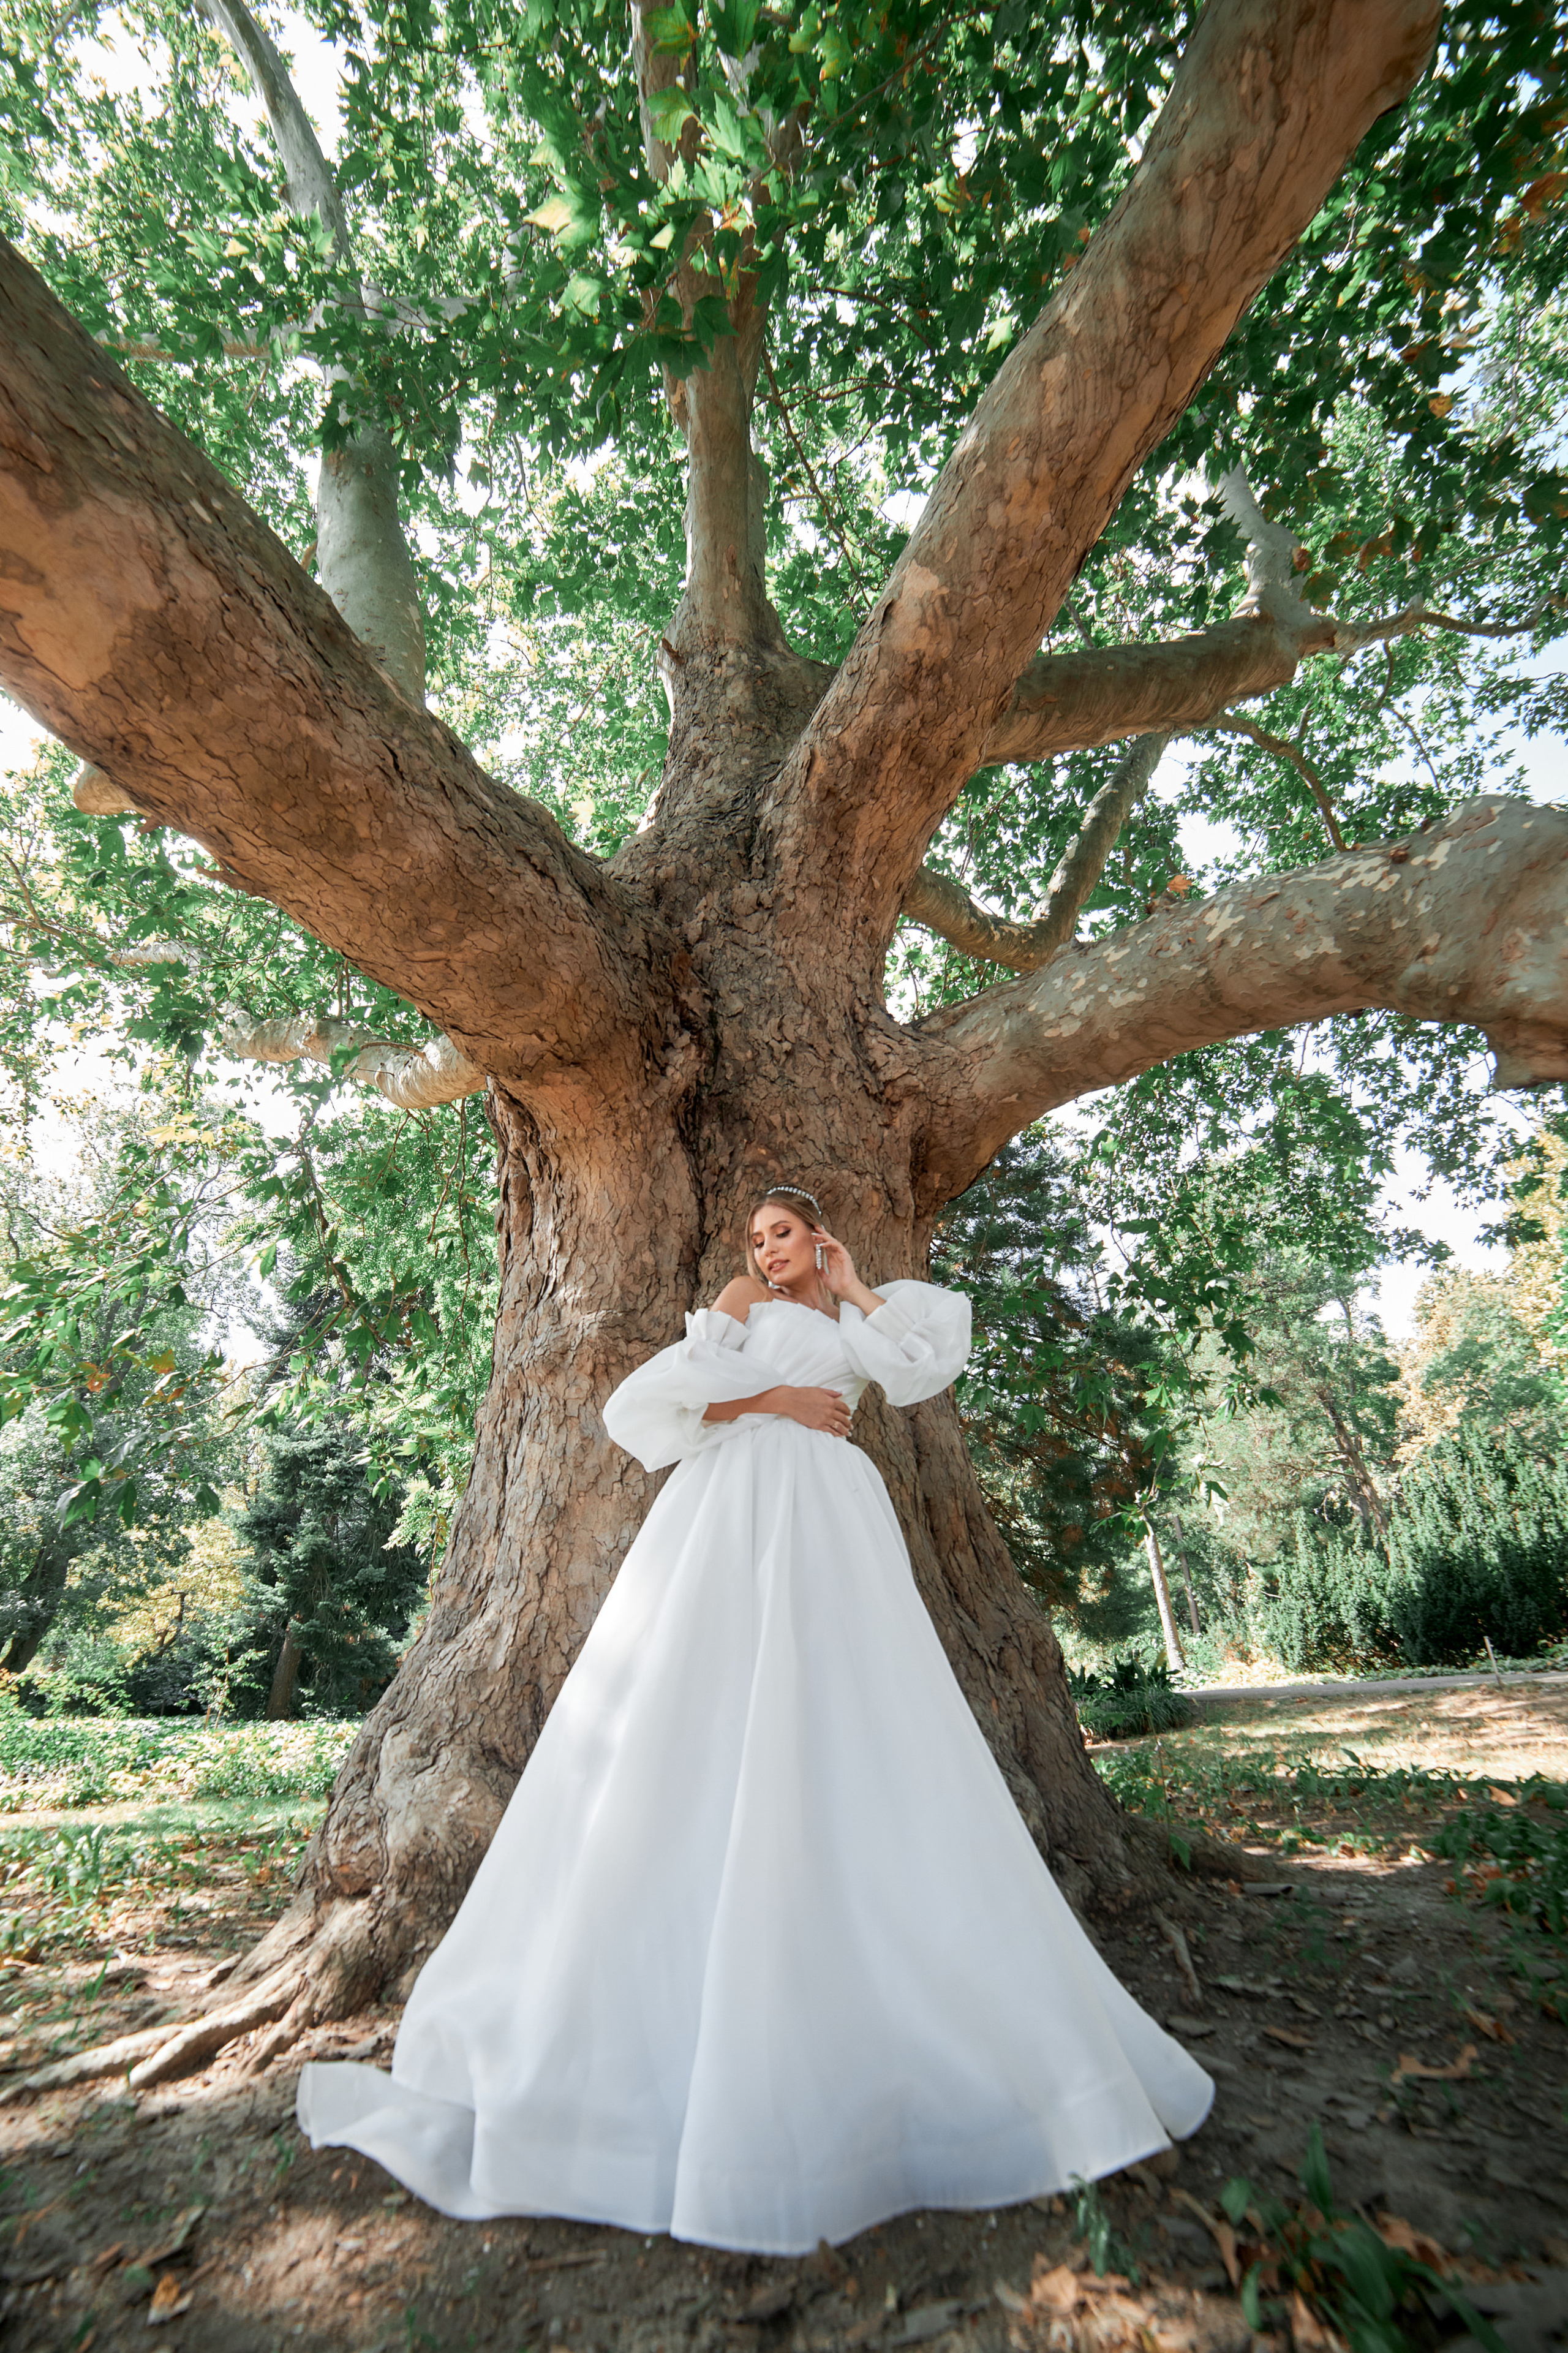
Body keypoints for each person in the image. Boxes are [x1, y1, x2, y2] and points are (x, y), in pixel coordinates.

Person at [296, 1184, 1212, 2254]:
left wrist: (852, 1278)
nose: (769, 1251)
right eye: (761, 1237)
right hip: (728, 1512)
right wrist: (772, 1401)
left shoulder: (855, 1314)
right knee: (701, 1705)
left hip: (832, 1518)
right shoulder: (734, 1298)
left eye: (787, 1235)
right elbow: (648, 1408)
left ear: (815, 1237)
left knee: (846, 1710)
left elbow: (920, 1367)